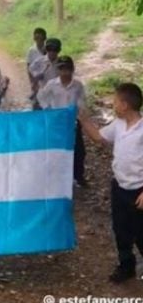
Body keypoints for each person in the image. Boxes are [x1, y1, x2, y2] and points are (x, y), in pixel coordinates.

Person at [78, 83, 143, 283]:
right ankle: (126, 266)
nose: (112, 104)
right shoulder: (118, 124)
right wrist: (84, 119)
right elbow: (98, 137)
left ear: (125, 105)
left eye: (115, 101)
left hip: (139, 191)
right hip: (119, 188)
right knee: (120, 229)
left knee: (141, 233)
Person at [37, 56, 87, 186]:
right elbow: (41, 96)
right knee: (57, 149)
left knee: (79, 151)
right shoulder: (52, 84)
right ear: (58, 70)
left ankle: (78, 176)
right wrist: (47, 109)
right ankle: (56, 178)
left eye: (68, 70)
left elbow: (82, 101)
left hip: (72, 123)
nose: (65, 73)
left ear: (72, 70)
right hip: (56, 123)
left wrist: (80, 113)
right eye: (62, 70)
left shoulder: (77, 85)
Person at [29, 37, 62, 110]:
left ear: (59, 50)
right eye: (50, 49)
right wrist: (36, 75)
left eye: (55, 50)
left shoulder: (61, 63)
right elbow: (31, 68)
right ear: (46, 49)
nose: (52, 52)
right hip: (43, 93)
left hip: (57, 94)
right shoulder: (40, 61)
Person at [26, 27, 47, 100]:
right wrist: (32, 82)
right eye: (37, 38)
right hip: (36, 79)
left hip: (47, 78)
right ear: (34, 38)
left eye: (41, 38)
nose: (39, 41)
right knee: (36, 101)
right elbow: (28, 67)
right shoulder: (31, 51)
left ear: (44, 38)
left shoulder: (49, 50)